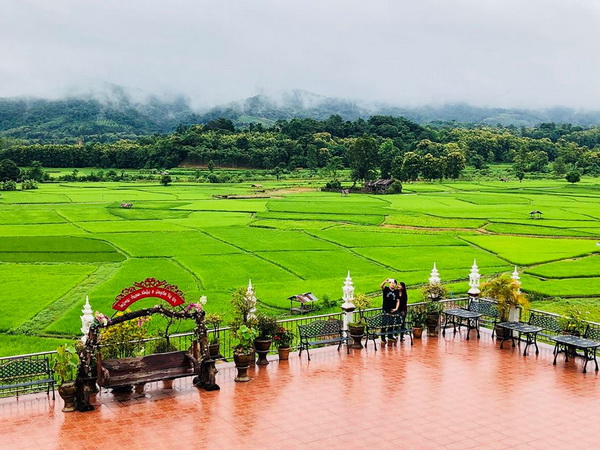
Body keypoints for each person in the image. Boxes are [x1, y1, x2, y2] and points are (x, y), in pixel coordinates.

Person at [380, 278, 400, 345]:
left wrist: (396, 308)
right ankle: (383, 338)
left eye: (394, 283)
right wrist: (385, 281)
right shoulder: (386, 289)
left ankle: (390, 336)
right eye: (391, 283)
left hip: (393, 310)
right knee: (384, 324)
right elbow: (381, 286)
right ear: (389, 284)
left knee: (391, 324)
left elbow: (398, 300)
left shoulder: (396, 291)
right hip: (385, 309)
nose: (393, 284)